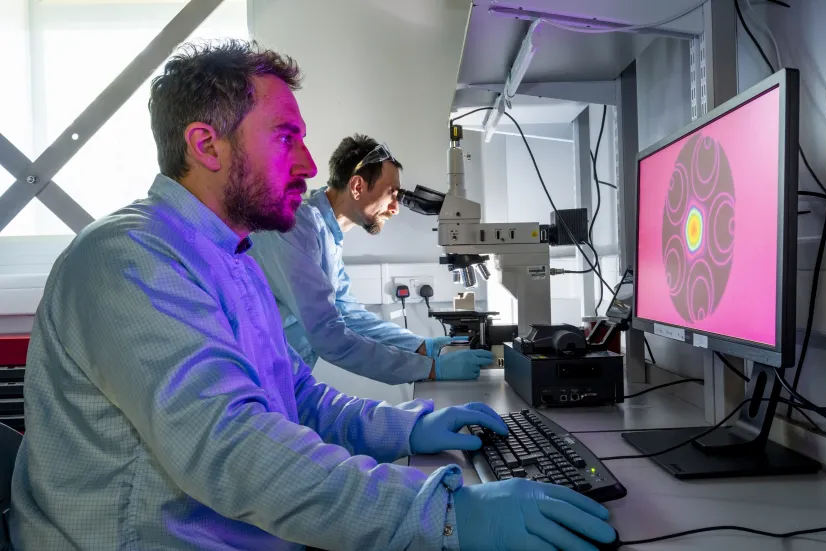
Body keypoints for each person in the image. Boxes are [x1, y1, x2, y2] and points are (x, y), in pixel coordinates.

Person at [9, 40, 617, 550]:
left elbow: (294, 396)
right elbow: (233, 448)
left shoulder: (236, 256)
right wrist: (444, 514)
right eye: (284, 137)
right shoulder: (129, 260)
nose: (305, 162)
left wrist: (407, 429)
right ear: (205, 144)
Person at [249, 135, 493, 384]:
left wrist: (421, 346)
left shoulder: (327, 235)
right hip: (256, 381)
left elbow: (348, 313)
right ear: (357, 187)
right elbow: (329, 335)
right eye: (392, 193)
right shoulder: (297, 228)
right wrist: (430, 368)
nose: (395, 208)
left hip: (282, 380)